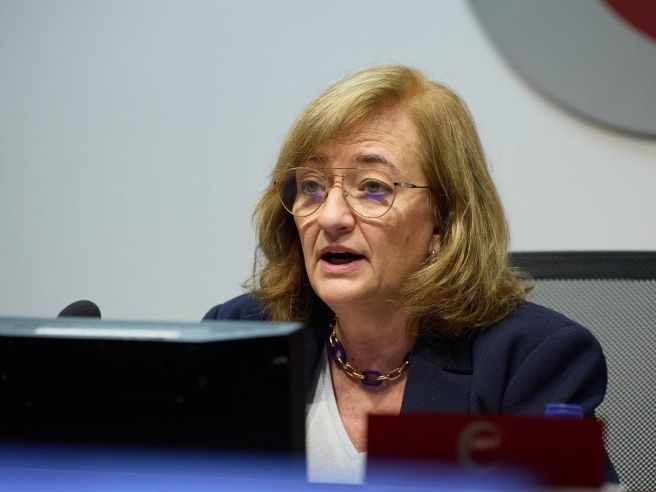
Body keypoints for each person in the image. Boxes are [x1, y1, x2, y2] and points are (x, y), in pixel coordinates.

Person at [204, 65, 619, 485]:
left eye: (373, 187)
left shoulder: (529, 362)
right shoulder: (237, 340)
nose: (330, 217)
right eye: (312, 186)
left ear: (443, 222)